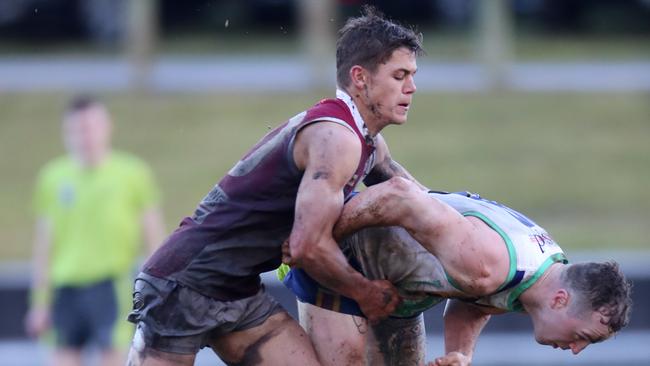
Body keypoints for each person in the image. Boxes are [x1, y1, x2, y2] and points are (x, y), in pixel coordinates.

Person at [126, 6, 425, 366]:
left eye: (412, 75)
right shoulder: (336, 138)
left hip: (238, 290)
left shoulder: (369, 144)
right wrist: (365, 293)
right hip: (182, 283)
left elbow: (424, 204)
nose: (412, 87)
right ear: (360, 78)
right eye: (399, 75)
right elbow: (306, 246)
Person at [282, 177, 633, 366]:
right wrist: (313, 239)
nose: (576, 350)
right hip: (346, 263)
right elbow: (400, 195)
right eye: (584, 336)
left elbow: (475, 304)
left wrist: (461, 354)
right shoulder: (487, 264)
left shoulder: (541, 276)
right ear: (561, 300)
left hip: (395, 294)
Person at [25, 95, 165, 366]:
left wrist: (160, 292)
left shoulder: (133, 173)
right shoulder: (52, 177)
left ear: (107, 127)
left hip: (109, 287)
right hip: (64, 290)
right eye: (77, 129)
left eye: (91, 127)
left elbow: (154, 239)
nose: (85, 136)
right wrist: (39, 303)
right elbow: (44, 245)